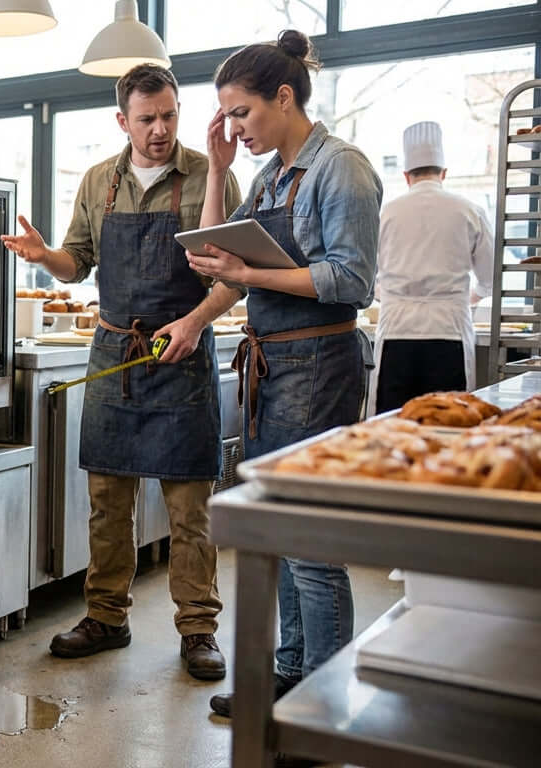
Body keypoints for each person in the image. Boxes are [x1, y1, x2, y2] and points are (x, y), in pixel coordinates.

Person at [2, 63, 244, 681]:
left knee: (191, 505)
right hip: (114, 356)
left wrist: (192, 324)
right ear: (122, 121)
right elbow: (75, 264)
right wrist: (42, 256)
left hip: (181, 355)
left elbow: (231, 280)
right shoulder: (97, 181)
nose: (160, 130)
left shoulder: (211, 177)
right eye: (146, 119)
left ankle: (197, 630)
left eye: (168, 115)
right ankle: (106, 616)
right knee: (107, 504)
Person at [188, 31, 382, 728]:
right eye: (226, 119)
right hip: (273, 367)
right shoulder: (271, 177)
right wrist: (215, 171)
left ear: (284, 96)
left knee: (310, 540)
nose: (234, 128)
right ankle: (293, 672)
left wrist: (250, 275)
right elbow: (210, 257)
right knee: (279, 533)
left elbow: (351, 279)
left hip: (319, 364)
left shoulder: (342, 169)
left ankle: (324, 703)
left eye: (240, 114)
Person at [370, 121, 493, 413]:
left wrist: (392, 296)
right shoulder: (470, 210)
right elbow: (489, 280)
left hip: (396, 331)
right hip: (448, 328)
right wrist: (464, 299)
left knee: (392, 426)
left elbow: (367, 279)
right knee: (449, 422)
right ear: (444, 173)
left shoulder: (386, 213)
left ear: (406, 176)